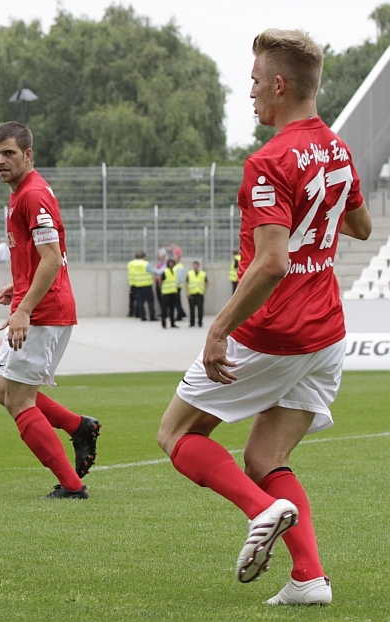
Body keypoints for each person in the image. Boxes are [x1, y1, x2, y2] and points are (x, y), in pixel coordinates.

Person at [156, 28, 372, 607]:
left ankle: (261, 510)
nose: (249, 91)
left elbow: (272, 262)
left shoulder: (270, 160)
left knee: (176, 434)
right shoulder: (337, 148)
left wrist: (218, 328)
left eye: (254, 81)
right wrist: (318, 215)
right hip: (326, 333)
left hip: (275, 331)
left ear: (279, 85)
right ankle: (309, 579)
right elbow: (362, 227)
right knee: (265, 458)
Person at [0, 122, 100, 500]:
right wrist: (18, 284)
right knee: (0, 388)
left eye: (9, 153)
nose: (1, 161)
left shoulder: (33, 195)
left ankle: (72, 486)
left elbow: (51, 260)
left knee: (19, 400)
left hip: (44, 313)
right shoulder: (21, 192)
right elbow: (42, 257)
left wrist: (24, 309)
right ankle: (78, 426)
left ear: (28, 154)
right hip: (37, 305)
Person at [128, 251, 156, 321]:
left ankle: (142, 316)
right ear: (144, 257)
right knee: (150, 301)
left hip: (136, 285)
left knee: (139, 301)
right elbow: (153, 271)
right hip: (147, 285)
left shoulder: (131, 264)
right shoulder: (146, 263)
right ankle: (152, 316)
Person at [158, 258, 181, 328]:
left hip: (173, 292)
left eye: (172, 263)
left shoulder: (174, 271)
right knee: (164, 309)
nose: (171, 264)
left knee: (172, 309)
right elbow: (160, 281)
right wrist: (161, 290)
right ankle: (164, 323)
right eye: (170, 263)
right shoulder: (165, 271)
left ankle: (172, 323)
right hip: (166, 293)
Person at [185, 261, 207, 328]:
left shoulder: (203, 274)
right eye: (194, 265)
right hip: (192, 294)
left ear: (198, 266)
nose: (195, 266)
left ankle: (200, 322)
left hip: (199, 293)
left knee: (200, 309)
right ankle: (192, 322)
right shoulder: (189, 273)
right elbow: (186, 283)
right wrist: (187, 292)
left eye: (196, 265)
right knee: (191, 309)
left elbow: (206, 282)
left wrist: (204, 291)